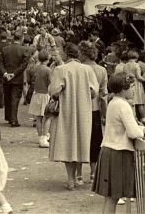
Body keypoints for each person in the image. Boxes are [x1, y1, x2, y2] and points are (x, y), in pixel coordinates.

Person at [92, 72, 145, 214]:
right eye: (131, 87)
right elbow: (132, 132)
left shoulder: (113, 102)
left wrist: (141, 128)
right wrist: (143, 131)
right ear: (123, 89)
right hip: (118, 152)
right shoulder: (123, 105)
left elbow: (125, 126)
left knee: (111, 197)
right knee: (114, 196)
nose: (133, 90)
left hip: (109, 149)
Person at [48, 42, 99, 190]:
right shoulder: (87, 70)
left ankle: (71, 178)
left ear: (66, 54)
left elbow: (55, 91)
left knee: (67, 142)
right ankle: (78, 176)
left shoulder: (60, 69)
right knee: (80, 142)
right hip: (84, 111)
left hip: (66, 111)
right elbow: (94, 92)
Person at [79, 41, 108, 181]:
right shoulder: (102, 70)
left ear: (83, 53)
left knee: (79, 139)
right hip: (95, 108)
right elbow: (103, 94)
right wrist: (105, 113)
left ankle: (78, 173)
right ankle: (93, 171)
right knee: (95, 140)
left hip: (79, 108)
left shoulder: (79, 68)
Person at [0, 33, 30, 127]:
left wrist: (5, 73)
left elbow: (0, 63)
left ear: (13, 38)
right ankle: (13, 119)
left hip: (6, 77)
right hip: (17, 78)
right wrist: (14, 73)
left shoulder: (5, 49)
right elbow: (24, 64)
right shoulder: (23, 49)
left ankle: (8, 117)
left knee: (7, 97)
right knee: (15, 98)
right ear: (21, 39)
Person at [28, 49, 52, 148]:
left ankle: (39, 137)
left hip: (36, 94)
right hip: (45, 94)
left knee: (38, 117)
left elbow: (30, 79)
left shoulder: (35, 68)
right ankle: (44, 137)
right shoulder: (48, 70)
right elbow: (51, 83)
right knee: (47, 117)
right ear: (48, 58)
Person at [123, 50, 145, 124]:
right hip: (136, 84)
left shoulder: (125, 65)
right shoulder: (136, 65)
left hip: (128, 84)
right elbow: (139, 77)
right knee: (140, 103)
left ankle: (132, 118)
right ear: (136, 57)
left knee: (130, 102)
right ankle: (143, 119)